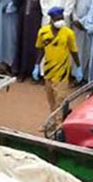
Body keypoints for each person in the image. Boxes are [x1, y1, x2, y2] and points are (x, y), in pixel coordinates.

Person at [36, 7, 83, 136]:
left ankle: (58, 125)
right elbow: (40, 49)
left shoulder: (68, 33)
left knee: (60, 99)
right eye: (57, 19)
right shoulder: (43, 32)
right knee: (51, 99)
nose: (60, 21)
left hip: (62, 71)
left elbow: (74, 51)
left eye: (61, 18)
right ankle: (51, 122)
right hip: (48, 71)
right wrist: (36, 65)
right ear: (51, 20)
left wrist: (78, 68)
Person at [14, 0, 44, 81]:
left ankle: (34, 71)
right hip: (22, 16)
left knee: (34, 43)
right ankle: (22, 71)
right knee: (22, 42)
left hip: (35, 16)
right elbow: (16, 3)